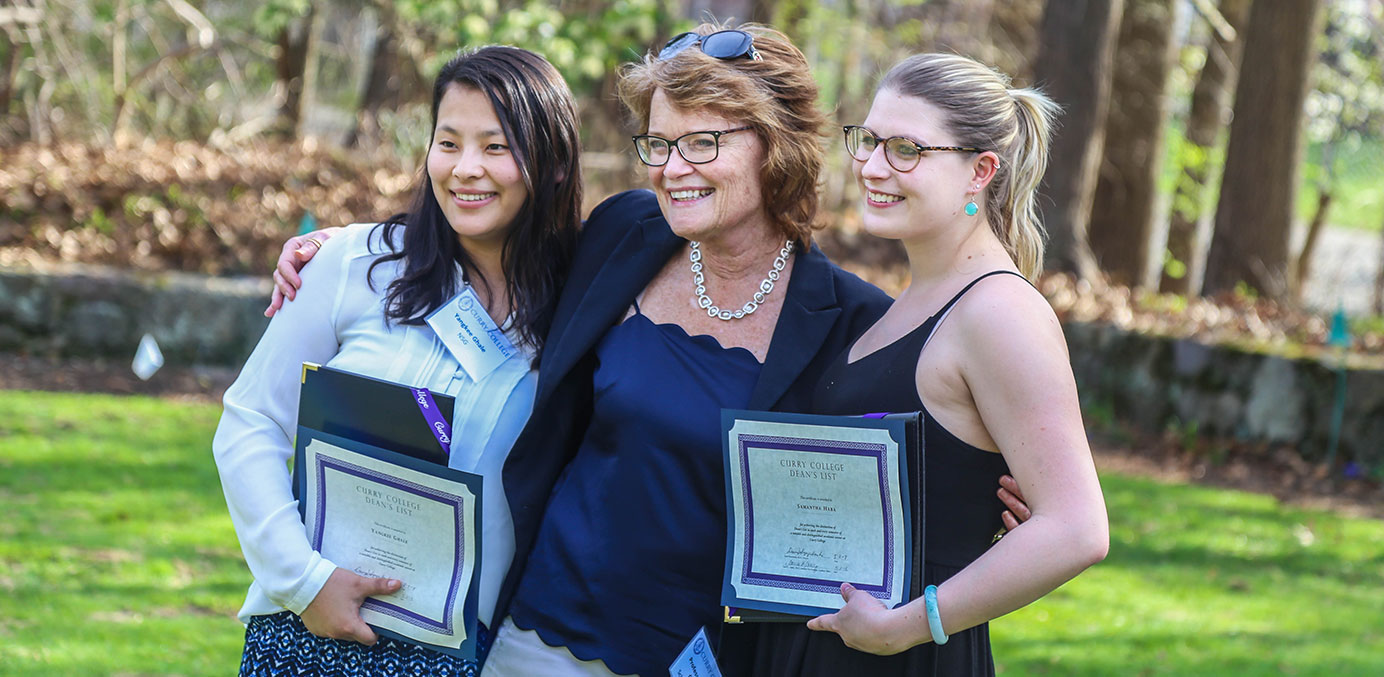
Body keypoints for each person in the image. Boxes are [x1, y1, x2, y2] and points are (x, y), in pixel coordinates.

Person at [266, 27, 1036, 677]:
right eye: (659, 143)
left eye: (703, 142)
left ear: (777, 144)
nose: (673, 167)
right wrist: (356, 251)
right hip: (529, 636)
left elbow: (906, 482)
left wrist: (987, 504)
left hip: (693, 656)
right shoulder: (624, 236)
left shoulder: (850, 324)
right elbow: (506, 251)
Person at [730, 53, 1109, 676]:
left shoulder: (999, 312)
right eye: (870, 140)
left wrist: (905, 627)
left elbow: (1076, 528)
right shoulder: (903, 304)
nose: (873, 166)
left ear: (979, 171)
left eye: (906, 148)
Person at [213, 45, 582, 675]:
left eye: (497, 147)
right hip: (304, 629)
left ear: (551, 164)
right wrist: (305, 582)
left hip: (454, 655)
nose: (467, 169)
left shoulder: (578, 314)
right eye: (449, 142)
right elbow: (250, 421)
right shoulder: (353, 267)